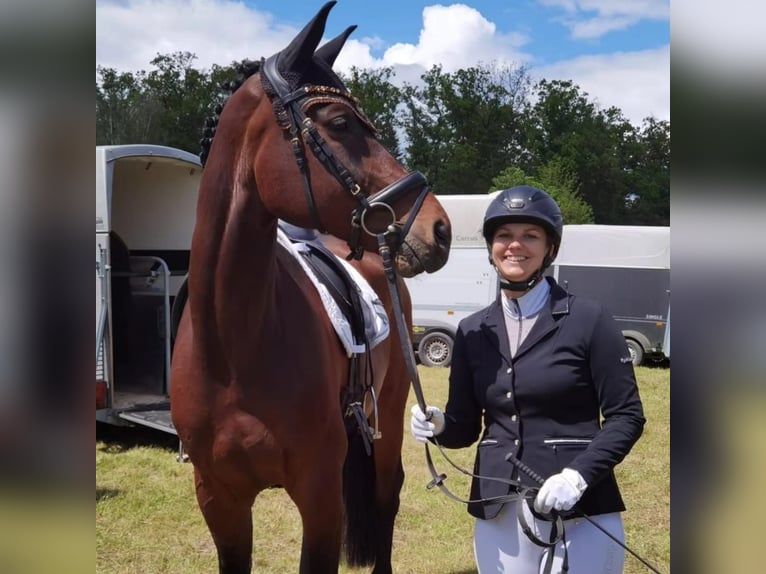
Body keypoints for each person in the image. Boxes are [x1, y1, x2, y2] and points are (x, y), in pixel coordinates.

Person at [410, 186, 645, 574]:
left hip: (578, 503)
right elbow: (464, 427)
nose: (514, 245)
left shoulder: (590, 319)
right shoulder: (472, 331)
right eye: (504, 236)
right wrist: (437, 425)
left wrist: (578, 476)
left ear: (549, 249)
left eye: (530, 236)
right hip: (498, 505)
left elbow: (627, 417)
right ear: (490, 248)